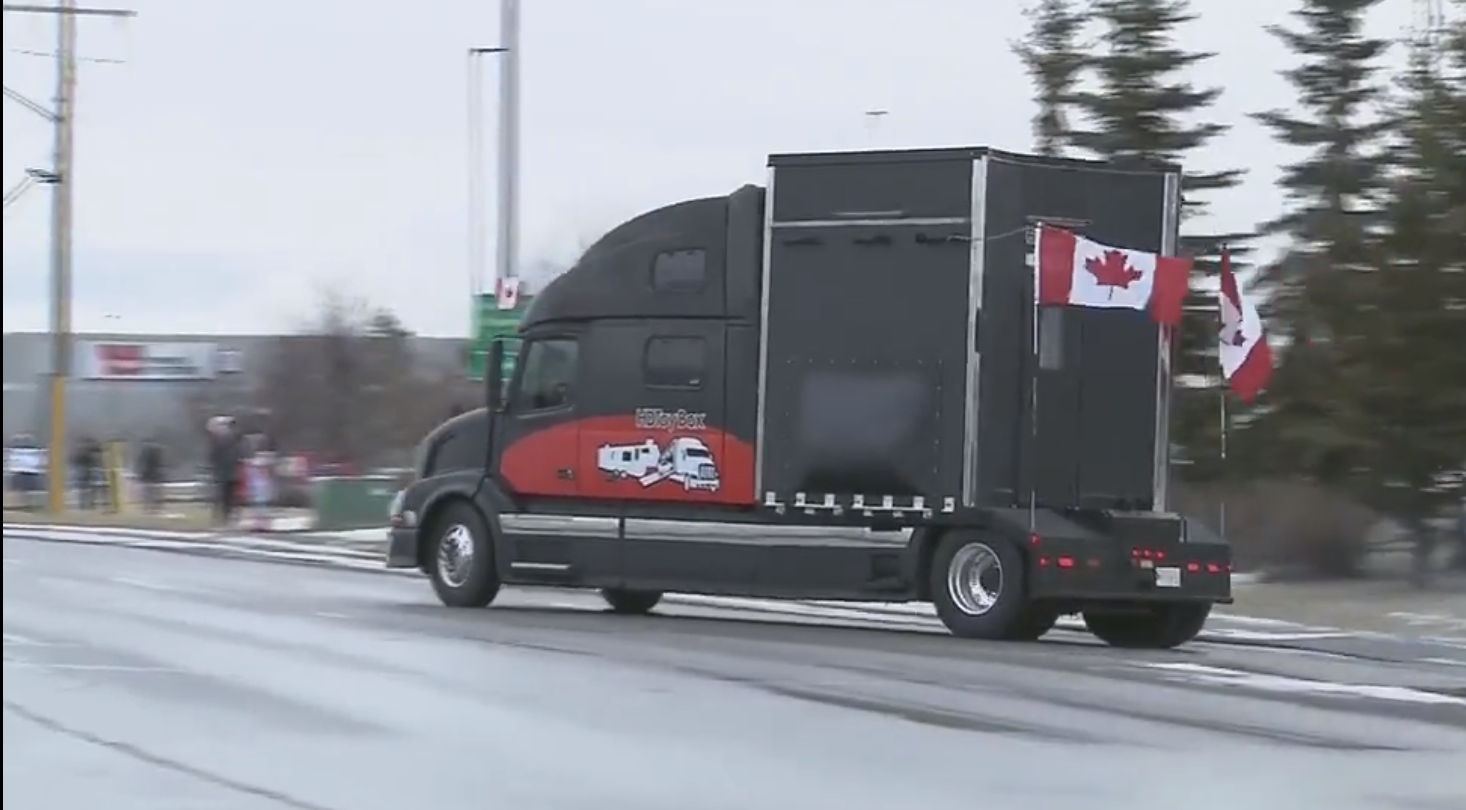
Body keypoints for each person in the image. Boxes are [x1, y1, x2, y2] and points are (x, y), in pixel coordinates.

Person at [207, 417, 242, 528]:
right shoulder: (232, 438)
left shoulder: (218, 439)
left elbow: (213, 456)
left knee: (223, 496)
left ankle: (223, 518)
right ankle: (225, 518)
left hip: (224, 471)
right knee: (227, 497)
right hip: (229, 471)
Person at [135, 438, 165, 513]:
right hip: (154, 475)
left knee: (148, 492)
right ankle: (155, 507)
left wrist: (139, 473)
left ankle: (150, 507)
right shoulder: (158, 451)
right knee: (154, 491)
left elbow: (141, 463)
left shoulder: (145, 452)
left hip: (149, 475)